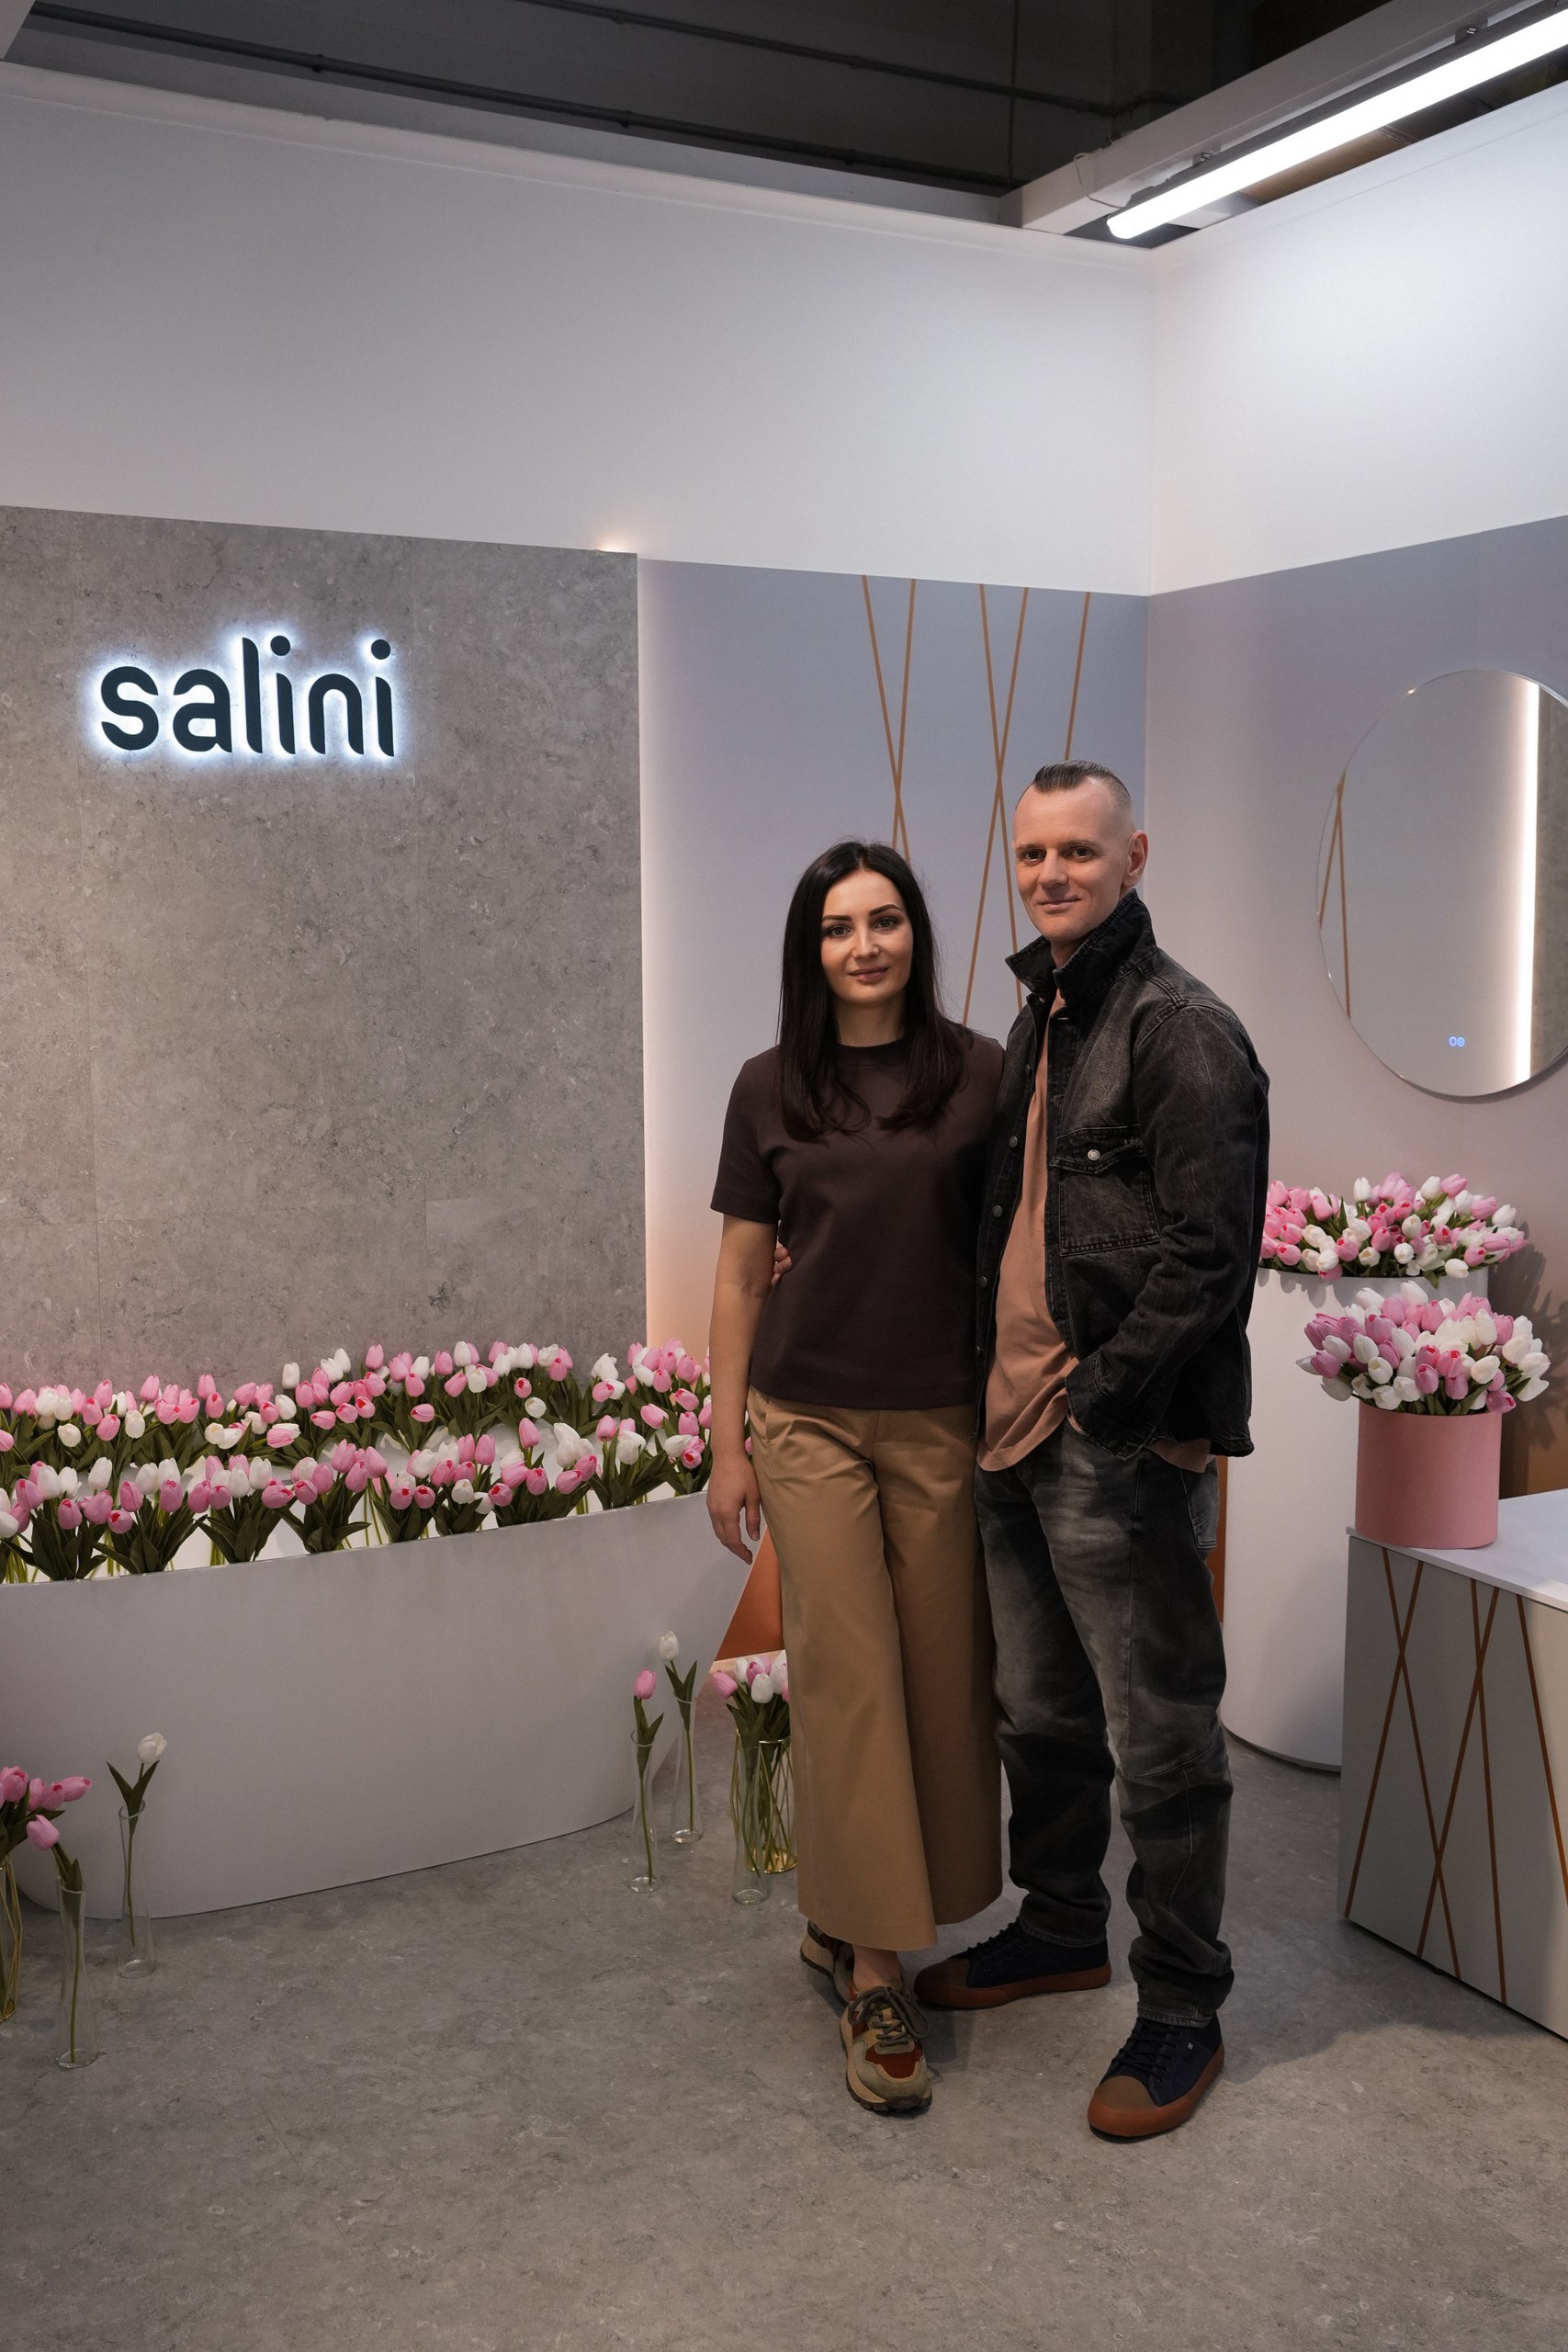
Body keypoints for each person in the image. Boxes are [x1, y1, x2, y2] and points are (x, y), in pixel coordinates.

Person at [913, 760, 1269, 2143]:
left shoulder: (1181, 1028)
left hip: (1107, 1439)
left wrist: (1107, 1406)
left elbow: (1210, 1255)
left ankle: (1183, 2003)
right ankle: (1061, 1925)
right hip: (1010, 1431)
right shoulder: (1045, 1011)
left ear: (1135, 856)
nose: (1052, 874)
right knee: (1040, 1715)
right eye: (1032, 855)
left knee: (1163, 1737)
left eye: (1079, 850)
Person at [706, 839, 1004, 2118]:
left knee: (943, 1677)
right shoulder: (769, 1086)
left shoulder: (981, 1074)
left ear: (915, 934)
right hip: (807, 1418)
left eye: (884, 921)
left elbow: (1017, 1249)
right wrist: (726, 1442)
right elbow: (739, 1276)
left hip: (945, 1421)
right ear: (810, 949)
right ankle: (877, 1975)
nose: (864, 945)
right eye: (838, 927)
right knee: (851, 1679)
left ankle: (849, 1916)